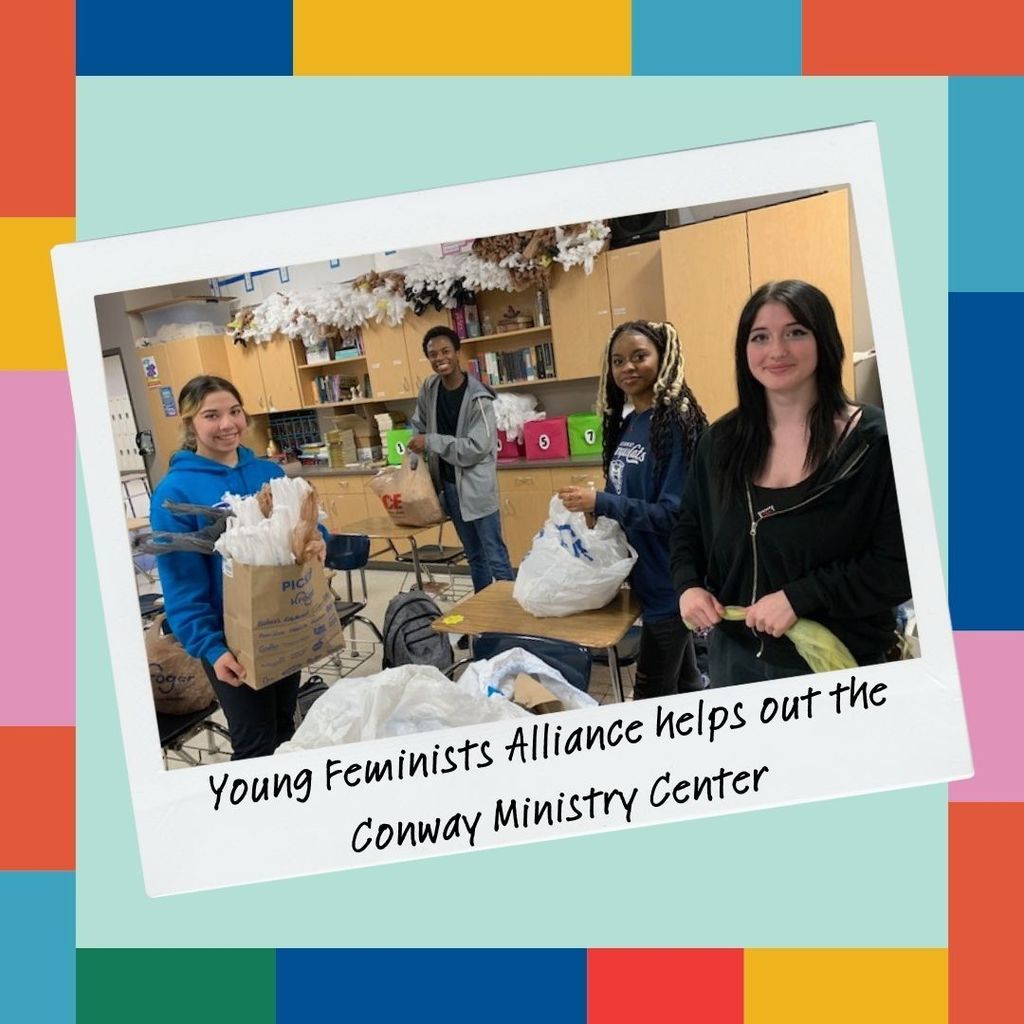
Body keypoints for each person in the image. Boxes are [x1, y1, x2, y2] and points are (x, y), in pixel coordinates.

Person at [670, 280, 912, 686]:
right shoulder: (719, 443)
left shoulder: (874, 442)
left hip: (838, 659)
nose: (776, 351)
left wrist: (799, 598)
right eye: (760, 337)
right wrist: (688, 586)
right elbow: (688, 528)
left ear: (824, 340)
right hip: (734, 659)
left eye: (795, 332)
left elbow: (898, 566)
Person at [150, 375, 302, 759]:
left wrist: (318, 539)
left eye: (234, 411)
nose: (227, 424)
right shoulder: (175, 493)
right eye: (211, 415)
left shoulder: (269, 473)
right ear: (190, 424)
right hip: (229, 642)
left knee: (286, 728)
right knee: (254, 743)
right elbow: (183, 587)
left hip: (285, 624)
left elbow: (307, 524)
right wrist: (212, 649)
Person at [558, 320, 708, 700]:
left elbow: (674, 515)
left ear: (663, 358)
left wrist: (604, 503)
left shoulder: (677, 422)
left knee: (649, 694)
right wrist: (599, 506)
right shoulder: (630, 422)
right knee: (688, 682)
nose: (628, 367)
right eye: (618, 360)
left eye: (640, 356)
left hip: (671, 585)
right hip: (647, 576)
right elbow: (625, 488)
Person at [409, 325, 515, 599]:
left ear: (457, 353)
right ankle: (483, 621)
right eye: (432, 354)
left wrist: (431, 441)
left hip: (476, 490)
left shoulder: (479, 398)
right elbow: (418, 426)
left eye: (445, 351)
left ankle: (511, 622)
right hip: (448, 488)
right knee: (474, 557)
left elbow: (476, 448)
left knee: (495, 556)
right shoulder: (430, 388)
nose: (439, 358)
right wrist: (413, 457)